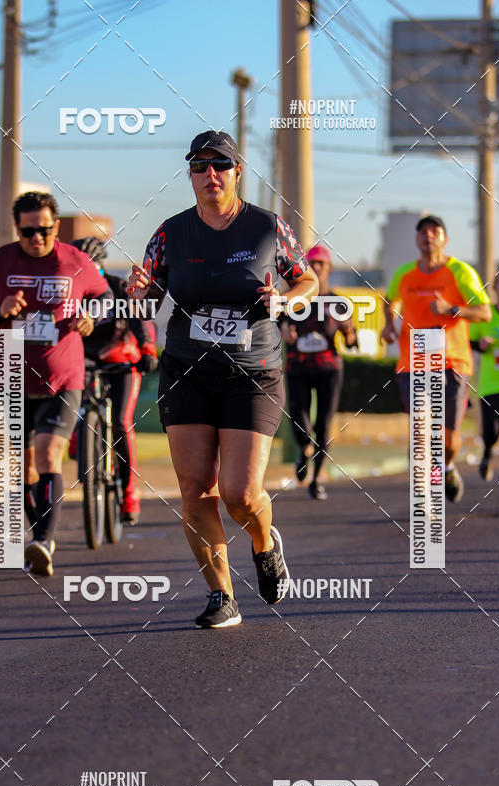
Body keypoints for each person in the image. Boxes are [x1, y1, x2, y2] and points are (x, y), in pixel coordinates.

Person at [127, 130, 318, 628]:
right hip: (188, 370)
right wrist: (138, 290)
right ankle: (221, 596)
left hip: (252, 372)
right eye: (199, 166)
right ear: (190, 174)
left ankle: (264, 542)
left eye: (220, 165)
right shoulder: (170, 232)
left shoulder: (266, 227)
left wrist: (287, 299)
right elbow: (145, 297)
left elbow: (307, 278)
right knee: (195, 489)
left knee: (240, 495)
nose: (209, 174)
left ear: (237, 171)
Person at [0, 191, 110, 575]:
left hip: (63, 376)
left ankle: (43, 541)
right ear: (18, 229)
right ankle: (37, 535)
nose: (36, 238)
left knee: (47, 454)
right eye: (28, 232)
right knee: (23, 468)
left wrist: (91, 316)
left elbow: (106, 296)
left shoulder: (75, 262)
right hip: (11, 376)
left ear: (56, 227)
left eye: (44, 230)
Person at [381, 214, 491, 502]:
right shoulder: (405, 273)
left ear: (445, 238)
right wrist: (389, 324)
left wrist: (452, 308)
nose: (428, 236)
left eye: (434, 231)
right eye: (423, 232)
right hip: (412, 362)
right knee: (420, 426)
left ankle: (448, 466)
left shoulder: (460, 272)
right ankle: (426, 491)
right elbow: (391, 299)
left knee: (448, 439)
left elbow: (484, 312)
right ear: (417, 239)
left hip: (452, 361)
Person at [71, 237, 158, 524]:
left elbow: (140, 320)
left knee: (121, 421)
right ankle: (80, 441)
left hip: (122, 359)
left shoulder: (117, 287)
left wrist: (146, 348)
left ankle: (130, 493)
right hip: (84, 361)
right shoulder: (71, 290)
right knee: (71, 407)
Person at [280, 243, 356, 499]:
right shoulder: (293, 299)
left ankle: (317, 480)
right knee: (299, 420)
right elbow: (277, 326)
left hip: (329, 370)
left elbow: (352, 343)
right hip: (298, 367)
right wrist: (284, 334)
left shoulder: (337, 302)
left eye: (321, 264)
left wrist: (349, 332)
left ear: (329, 269)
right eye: (311, 263)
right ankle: (304, 451)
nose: (317, 268)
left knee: (324, 425)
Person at [470, 267, 499, 490]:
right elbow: (468, 341)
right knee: (492, 432)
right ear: (494, 288)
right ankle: (488, 452)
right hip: (491, 384)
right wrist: (479, 345)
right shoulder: (485, 315)